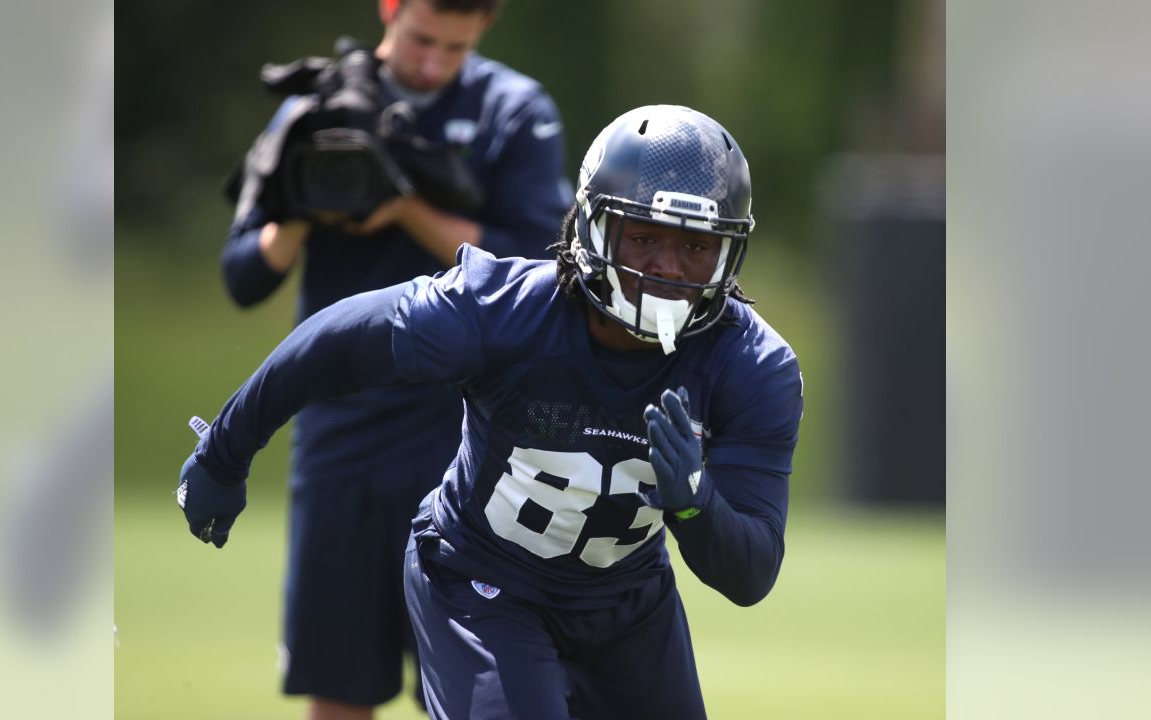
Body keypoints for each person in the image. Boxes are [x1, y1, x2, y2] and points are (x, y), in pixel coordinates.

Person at [183, 104, 804, 719]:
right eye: (644, 239)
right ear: (591, 228)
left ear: (728, 254)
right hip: (485, 583)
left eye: (696, 246)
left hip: (628, 606)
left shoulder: (751, 365)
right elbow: (335, 342)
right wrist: (225, 451)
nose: (668, 269)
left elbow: (749, 576)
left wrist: (697, 504)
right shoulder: (504, 312)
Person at [217, 0, 570, 717]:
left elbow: (541, 270)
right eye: (421, 40)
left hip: (473, 440)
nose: (434, 63)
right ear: (390, 9)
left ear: (483, 31)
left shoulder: (514, 110)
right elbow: (244, 277)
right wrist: (303, 203)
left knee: (482, 690)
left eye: (455, 48)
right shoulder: (315, 110)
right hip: (341, 438)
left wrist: (405, 204)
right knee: (340, 686)